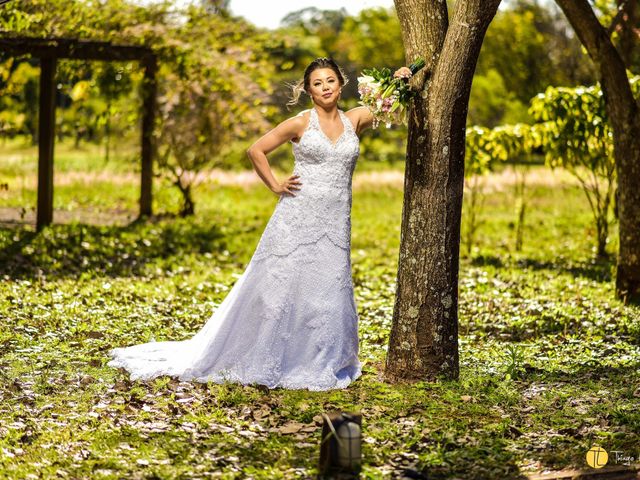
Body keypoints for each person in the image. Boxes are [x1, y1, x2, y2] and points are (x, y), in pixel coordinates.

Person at [108, 57, 413, 391]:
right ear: (308, 90)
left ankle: (321, 356)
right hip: (297, 215)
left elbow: (391, 103)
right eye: (317, 83)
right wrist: (275, 185)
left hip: (336, 218)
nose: (325, 88)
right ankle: (267, 352)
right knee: (278, 284)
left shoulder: (355, 119)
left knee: (328, 285)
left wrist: (403, 78)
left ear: (341, 84)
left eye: (330, 81)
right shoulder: (299, 123)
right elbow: (256, 150)